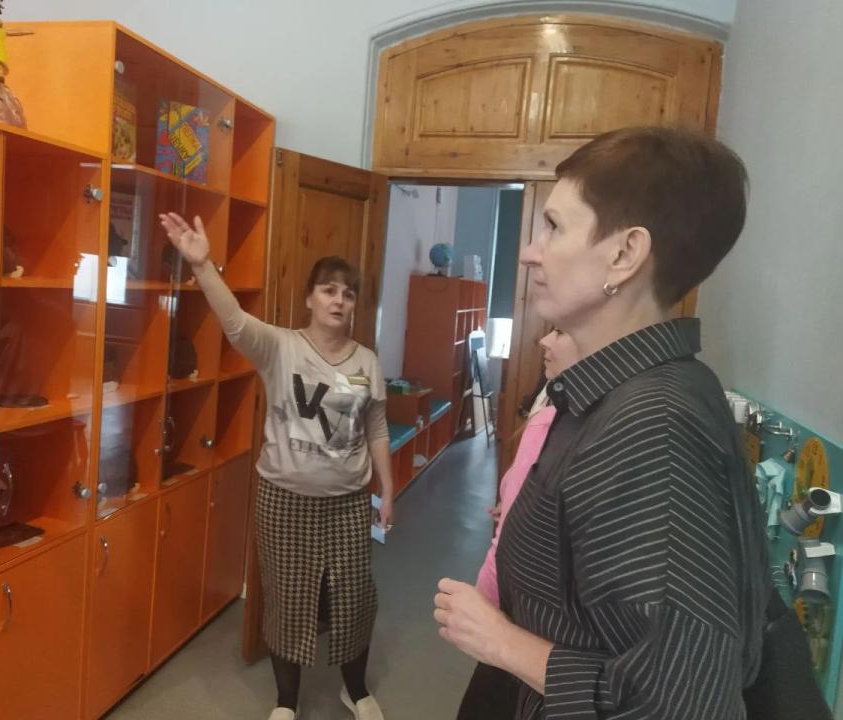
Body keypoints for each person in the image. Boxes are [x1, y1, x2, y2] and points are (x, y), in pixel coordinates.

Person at [433, 127, 770, 719]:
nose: (530, 252)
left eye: (554, 227)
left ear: (624, 254)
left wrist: (503, 643)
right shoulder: (623, 394)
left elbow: (680, 703)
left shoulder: (651, 428)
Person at [160, 212, 393, 720]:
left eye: (348, 294)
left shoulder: (367, 362)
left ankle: (355, 690)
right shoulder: (280, 348)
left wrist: (388, 490)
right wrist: (202, 265)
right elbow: (234, 321)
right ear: (309, 298)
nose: (338, 300)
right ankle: (286, 701)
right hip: (283, 501)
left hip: (348, 504)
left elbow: (376, 426)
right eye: (328, 290)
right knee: (288, 601)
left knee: (354, 600)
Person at [475, 329, 580, 606]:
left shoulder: (551, 420)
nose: (544, 340)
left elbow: (505, 543)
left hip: (527, 586)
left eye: (560, 331)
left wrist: (482, 602)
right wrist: (511, 495)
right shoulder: (551, 392)